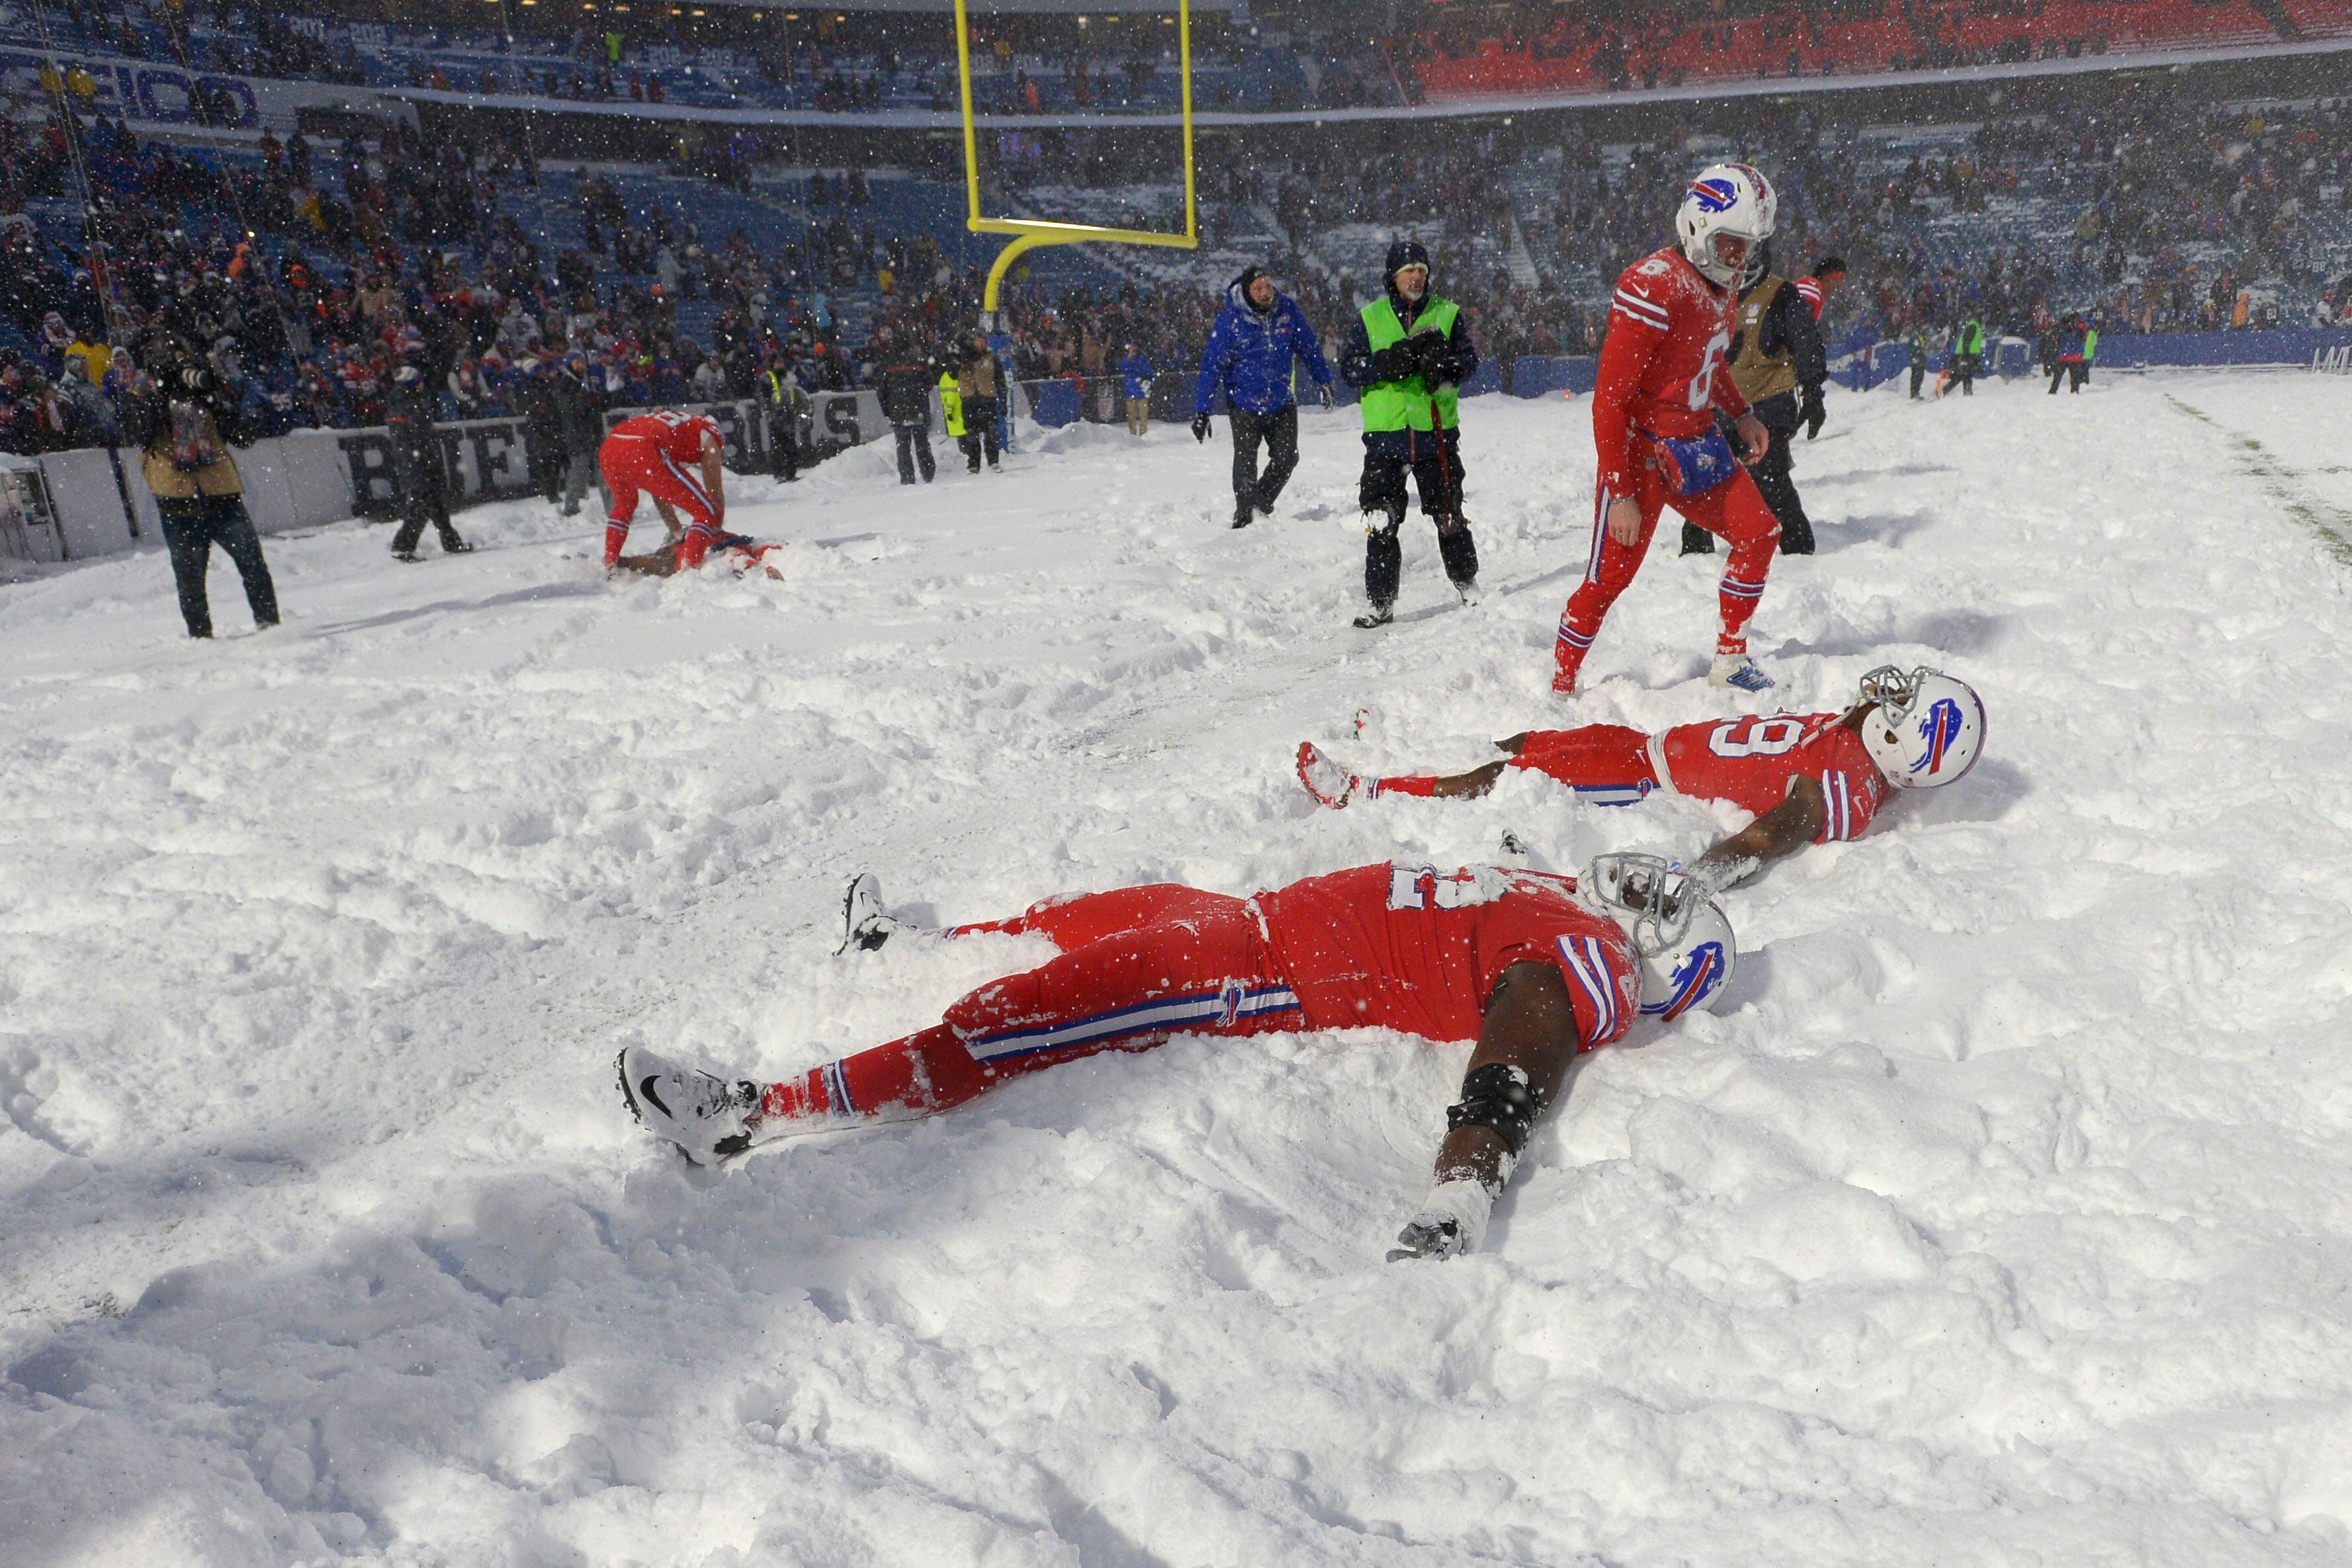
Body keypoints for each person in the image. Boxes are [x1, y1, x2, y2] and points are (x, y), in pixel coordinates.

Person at [618, 851, 1738, 1261]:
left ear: (1658, 960)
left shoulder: (1590, 964)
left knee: (1019, 1014)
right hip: (1255, 915)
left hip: (1262, 971)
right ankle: (904, 941)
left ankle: (751, 1112)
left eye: (1663, 903)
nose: (1647, 877)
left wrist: (1467, 1172)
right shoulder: (1556, 890)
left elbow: (1526, 1030)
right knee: (1094, 907)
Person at [1297, 665, 1985, 889]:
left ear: (1904, 740)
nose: (1884, 695)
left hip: (1641, 779)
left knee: (1504, 776)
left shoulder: (1833, 792)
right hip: (1645, 745)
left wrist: (1690, 884)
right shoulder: (1872, 757)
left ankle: (1367, 793)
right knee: (1520, 742)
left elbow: (1762, 841)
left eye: (1898, 705)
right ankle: (1397, 753)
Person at [1551, 163, 1782, 696]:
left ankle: (1729, 660)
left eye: (1747, 245)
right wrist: (1620, 490)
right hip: (1643, 454)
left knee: (1760, 534)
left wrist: (1740, 410)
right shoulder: (1654, 285)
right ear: (1698, 227)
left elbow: (1706, 360)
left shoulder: (1715, 285)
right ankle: (1559, 684)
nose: (1738, 257)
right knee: (1609, 580)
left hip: (1698, 443)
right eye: (1729, 243)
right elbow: (1609, 401)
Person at [1336, 241, 1479, 626]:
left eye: (1421, 270)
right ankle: (1381, 603)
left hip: (1436, 434)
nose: (1416, 277)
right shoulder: (1369, 317)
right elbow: (1349, 369)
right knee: (1380, 520)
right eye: (1408, 271)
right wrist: (1384, 364)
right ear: (1392, 277)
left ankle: (1468, 585)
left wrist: (1447, 368)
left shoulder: (1447, 314)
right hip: (1386, 437)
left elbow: (1469, 361)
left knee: (1449, 512)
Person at [120, 335, 281, 640]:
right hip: (177, 500)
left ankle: (271, 629)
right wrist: (161, 396)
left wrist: (217, 400)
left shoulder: (204, 392)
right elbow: (139, 432)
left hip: (222, 495)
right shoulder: (138, 394)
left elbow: (246, 437)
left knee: (254, 566)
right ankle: (201, 639)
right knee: (190, 580)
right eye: (171, 363)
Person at [1680, 251, 1826, 557]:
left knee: (1770, 482)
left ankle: (1800, 552)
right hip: (1718, 410)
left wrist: (1813, 392)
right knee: (1704, 482)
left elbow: (1806, 343)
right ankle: (1695, 555)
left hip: (1768, 404)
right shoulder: (1711, 295)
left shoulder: (1780, 294)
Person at [1192, 265, 1332, 530]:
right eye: (1258, 288)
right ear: (1247, 292)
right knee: (1245, 461)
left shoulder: (1287, 310)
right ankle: (1244, 515)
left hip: (1281, 402)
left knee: (1287, 457)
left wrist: (1323, 380)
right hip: (1244, 403)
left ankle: (1260, 503)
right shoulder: (1229, 321)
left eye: (1268, 285)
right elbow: (1212, 366)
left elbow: (1309, 346)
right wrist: (1202, 410)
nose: (1266, 292)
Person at [599, 408, 726, 571]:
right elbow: (715, 495)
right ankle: (689, 569)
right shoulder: (709, 438)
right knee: (707, 512)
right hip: (643, 448)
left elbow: (660, 490)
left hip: (612, 446)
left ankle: (610, 562)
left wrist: (677, 532)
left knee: (625, 505)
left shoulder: (680, 427)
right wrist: (716, 532)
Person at [384, 359, 470, 562]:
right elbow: (417, 439)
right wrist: (426, 460)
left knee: (436, 505)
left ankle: (451, 542)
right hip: (418, 465)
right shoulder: (409, 406)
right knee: (421, 506)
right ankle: (402, 546)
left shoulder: (403, 404)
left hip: (417, 463)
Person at [554, 353, 607, 515]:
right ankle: (571, 508)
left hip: (595, 434)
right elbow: (568, 408)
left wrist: (598, 398)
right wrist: (586, 398)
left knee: (605, 474)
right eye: (577, 362)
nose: (580, 366)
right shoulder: (564, 383)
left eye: (582, 362)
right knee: (578, 475)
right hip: (577, 436)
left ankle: (613, 509)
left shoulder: (589, 381)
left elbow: (602, 405)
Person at [876, 347, 936, 485]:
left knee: (903, 446)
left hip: (898, 411)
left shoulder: (887, 365)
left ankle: (907, 477)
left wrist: (888, 411)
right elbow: (929, 383)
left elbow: (881, 391)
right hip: (918, 408)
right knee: (922, 443)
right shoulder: (919, 362)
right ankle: (928, 473)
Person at [955, 335, 1004, 473]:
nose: (980, 344)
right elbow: (952, 373)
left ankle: (993, 461)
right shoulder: (962, 357)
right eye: (978, 341)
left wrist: (1003, 400)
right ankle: (973, 463)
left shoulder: (992, 358)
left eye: (983, 341)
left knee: (991, 432)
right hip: (969, 399)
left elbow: (1000, 379)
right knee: (971, 434)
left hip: (987, 397)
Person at [759, 360, 806, 481]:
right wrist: (768, 410)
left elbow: (797, 392)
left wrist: (798, 407)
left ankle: (791, 473)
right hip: (776, 414)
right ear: (773, 364)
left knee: (791, 445)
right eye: (777, 363)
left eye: (781, 362)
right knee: (777, 446)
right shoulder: (767, 377)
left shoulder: (790, 376)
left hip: (789, 414)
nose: (780, 365)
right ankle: (779, 474)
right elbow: (762, 396)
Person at [1792, 255, 1845, 323]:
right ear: (1827, 278)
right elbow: (1796, 314)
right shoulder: (1813, 286)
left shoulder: (1817, 291)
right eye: (1836, 284)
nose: (1837, 289)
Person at [1119, 341, 1154, 436]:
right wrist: (1129, 358)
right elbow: (1123, 368)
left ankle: (1143, 435)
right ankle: (1133, 435)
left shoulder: (1143, 360)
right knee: (1131, 417)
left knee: (1143, 417)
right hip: (1131, 391)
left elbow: (1148, 373)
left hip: (1141, 391)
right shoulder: (1127, 360)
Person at [939, 362, 968, 469]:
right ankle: (970, 455)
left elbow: (949, 397)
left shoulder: (945, 377)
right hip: (963, 409)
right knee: (967, 435)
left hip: (954, 412)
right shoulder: (961, 375)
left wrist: (949, 410)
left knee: (961, 437)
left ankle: (966, 455)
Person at [1950, 317, 1984, 396]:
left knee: (1963, 374)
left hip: (1968, 353)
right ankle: (1967, 391)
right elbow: (1966, 340)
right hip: (1966, 353)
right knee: (1965, 373)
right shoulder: (1974, 326)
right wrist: (1966, 356)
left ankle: (1946, 390)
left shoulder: (1976, 326)